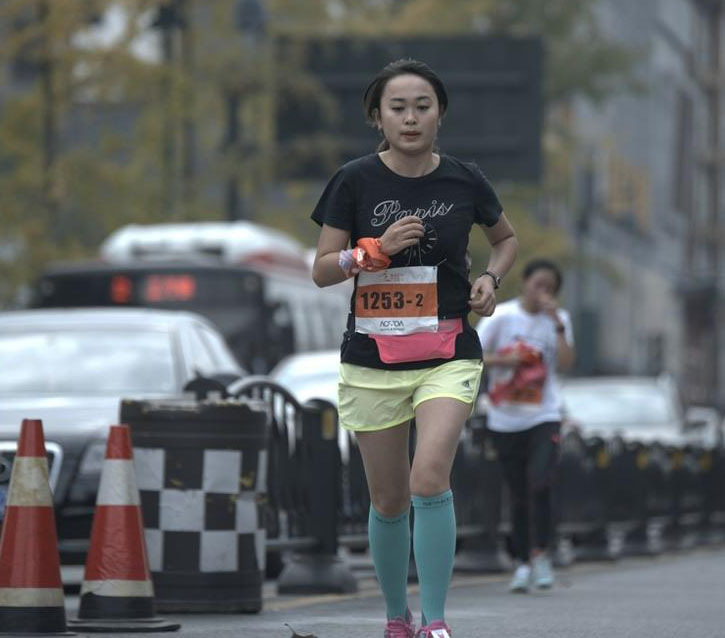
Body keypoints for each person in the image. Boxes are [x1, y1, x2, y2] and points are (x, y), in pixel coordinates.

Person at [311, 58, 518, 638]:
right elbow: (322, 269)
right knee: (389, 499)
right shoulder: (353, 180)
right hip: (373, 356)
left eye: (422, 107)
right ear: (377, 118)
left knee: (429, 477)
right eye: (397, 108)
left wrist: (490, 280)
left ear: (439, 115)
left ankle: (436, 620)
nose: (410, 118)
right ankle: (396, 617)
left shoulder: (464, 179)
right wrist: (371, 251)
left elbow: (505, 240)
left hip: (447, 352)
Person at [476, 258, 575, 593]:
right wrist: (507, 359)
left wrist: (557, 325)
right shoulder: (503, 316)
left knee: (540, 483)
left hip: (544, 415)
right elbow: (474, 354)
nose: (542, 292)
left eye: (550, 288)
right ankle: (521, 563)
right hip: (505, 417)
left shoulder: (559, 320)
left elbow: (566, 362)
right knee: (518, 493)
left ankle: (542, 554)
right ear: (525, 283)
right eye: (538, 284)